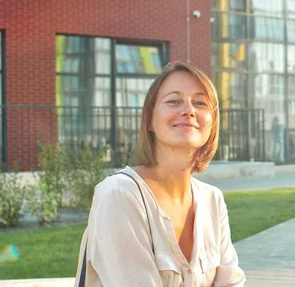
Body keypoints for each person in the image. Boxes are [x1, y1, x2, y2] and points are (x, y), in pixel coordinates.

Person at [74, 62, 245, 286]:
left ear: (212, 124)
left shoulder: (213, 200)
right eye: (173, 101)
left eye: (200, 102)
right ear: (150, 121)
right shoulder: (120, 195)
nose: (189, 110)